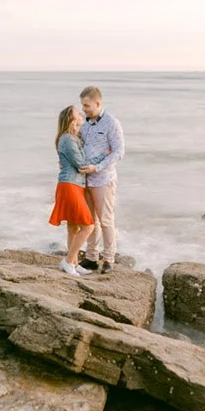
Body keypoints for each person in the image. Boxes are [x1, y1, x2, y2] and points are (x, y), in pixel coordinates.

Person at [48, 105, 108, 277]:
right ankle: (67, 261)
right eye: (78, 112)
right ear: (70, 119)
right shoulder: (67, 139)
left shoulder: (73, 137)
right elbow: (82, 165)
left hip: (73, 185)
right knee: (88, 226)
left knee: (74, 227)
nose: (82, 113)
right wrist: (104, 154)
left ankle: (73, 262)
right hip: (70, 185)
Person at [77, 86, 125, 274]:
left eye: (87, 105)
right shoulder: (84, 123)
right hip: (84, 179)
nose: (84, 109)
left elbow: (119, 152)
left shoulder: (112, 123)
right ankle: (91, 257)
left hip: (103, 179)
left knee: (105, 220)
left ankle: (109, 259)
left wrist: (96, 167)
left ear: (98, 103)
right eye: (82, 105)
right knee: (90, 221)